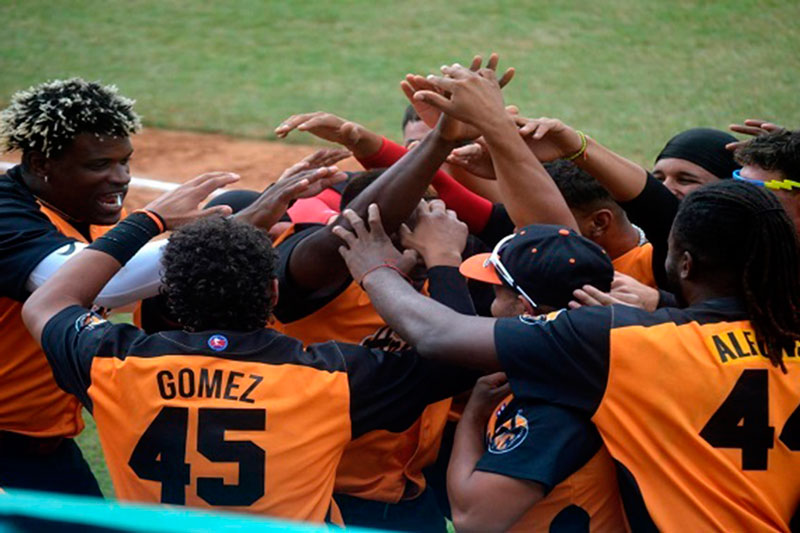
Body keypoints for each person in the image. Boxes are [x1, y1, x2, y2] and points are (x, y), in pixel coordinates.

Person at [333, 178, 800, 531]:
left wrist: (375, 269)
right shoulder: (790, 340)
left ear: (684, 263)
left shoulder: (625, 339)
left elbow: (441, 336)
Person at [20, 174, 475, 524]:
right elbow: (454, 358)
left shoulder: (113, 361)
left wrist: (146, 222)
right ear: (274, 293)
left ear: (171, 297)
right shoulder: (330, 377)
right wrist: (445, 263)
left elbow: (49, 301)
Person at [446, 225, 626, 532]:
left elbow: (472, 518)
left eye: (497, 294)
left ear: (524, 309)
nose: (491, 308)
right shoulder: (587, 364)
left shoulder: (559, 403)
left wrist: (474, 415)